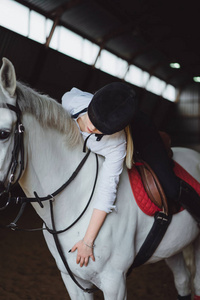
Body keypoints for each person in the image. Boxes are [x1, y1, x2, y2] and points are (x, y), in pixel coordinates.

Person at [62, 82, 200, 267]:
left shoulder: (116, 144)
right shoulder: (71, 101)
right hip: (109, 114)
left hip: (141, 132)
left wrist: (88, 242)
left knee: (171, 187)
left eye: (99, 128)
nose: (92, 128)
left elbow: (107, 193)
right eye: (91, 119)